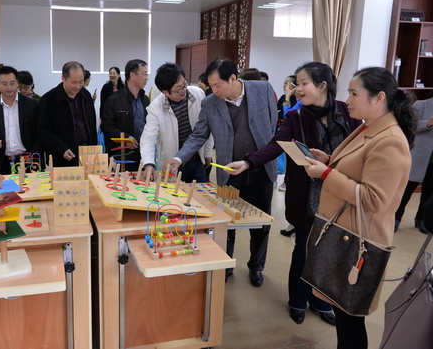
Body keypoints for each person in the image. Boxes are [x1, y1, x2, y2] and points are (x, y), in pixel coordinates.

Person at [226, 62, 362, 326]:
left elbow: (357, 150)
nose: (297, 89)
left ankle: (321, 302)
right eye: (297, 84)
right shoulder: (296, 117)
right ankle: (298, 301)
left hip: (339, 193)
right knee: (303, 248)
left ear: (322, 85)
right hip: (306, 195)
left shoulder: (346, 112)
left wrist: (332, 162)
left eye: (303, 83)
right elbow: (275, 145)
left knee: (329, 252)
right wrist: (248, 162)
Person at [304, 66, 415, 349]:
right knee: (344, 312)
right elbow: (360, 170)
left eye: (354, 93)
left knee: (350, 316)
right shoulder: (369, 126)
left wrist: (326, 174)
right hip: (344, 229)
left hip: (359, 239)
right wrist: (330, 161)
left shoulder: (390, 140)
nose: (348, 100)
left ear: (379, 97)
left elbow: (374, 199)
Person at [166, 57, 278, 287]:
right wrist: (178, 158)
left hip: (262, 169)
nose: (214, 90)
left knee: (261, 224)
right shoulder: (210, 103)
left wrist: (261, 155)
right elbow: (199, 135)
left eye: (217, 85)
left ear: (233, 78)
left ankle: (256, 267)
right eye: (211, 86)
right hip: (229, 171)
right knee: (226, 223)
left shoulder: (263, 89)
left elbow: (272, 121)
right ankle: (226, 264)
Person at [140, 62, 213, 182]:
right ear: (165, 92)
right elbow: (148, 138)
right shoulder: (155, 108)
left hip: (196, 157)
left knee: (198, 190)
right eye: (178, 89)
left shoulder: (198, 94)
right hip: (172, 162)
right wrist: (148, 164)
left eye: (184, 84)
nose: (183, 90)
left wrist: (207, 152)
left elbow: (207, 126)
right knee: (174, 192)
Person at [0, 66, 40, 175]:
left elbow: (41, 131)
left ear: (17, 82)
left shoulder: (32, 105)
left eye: (12, 83)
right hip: (2, 161)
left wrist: (33, 152)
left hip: (28, 159)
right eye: (4, 84)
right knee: (4, 187)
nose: (9, 87)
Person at [38, 61, 97, 167]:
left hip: (86, 154)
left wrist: (93, 148)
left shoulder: (85, 95)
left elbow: (91, 125)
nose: (78, 86)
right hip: (63, 155)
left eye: (81, 82)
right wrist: (61, 149)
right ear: (63, 78)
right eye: (74, 82)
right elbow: (43, 130)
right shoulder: (49, 99)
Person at [393, 91, 433, 233]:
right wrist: (428, 123)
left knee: (429, 192)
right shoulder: (421, 105)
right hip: (419, 155)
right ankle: (396, 218)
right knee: (407, 189)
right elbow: (409, 125)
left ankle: (421, 219)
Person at [102, 59, 150, 171]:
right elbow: (107, 127)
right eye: (144, 74)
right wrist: (126, 138)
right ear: (132, 75)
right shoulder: (114, 100)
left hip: (143, 155)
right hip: (122, 156)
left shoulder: (145, 100)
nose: (146, 78)